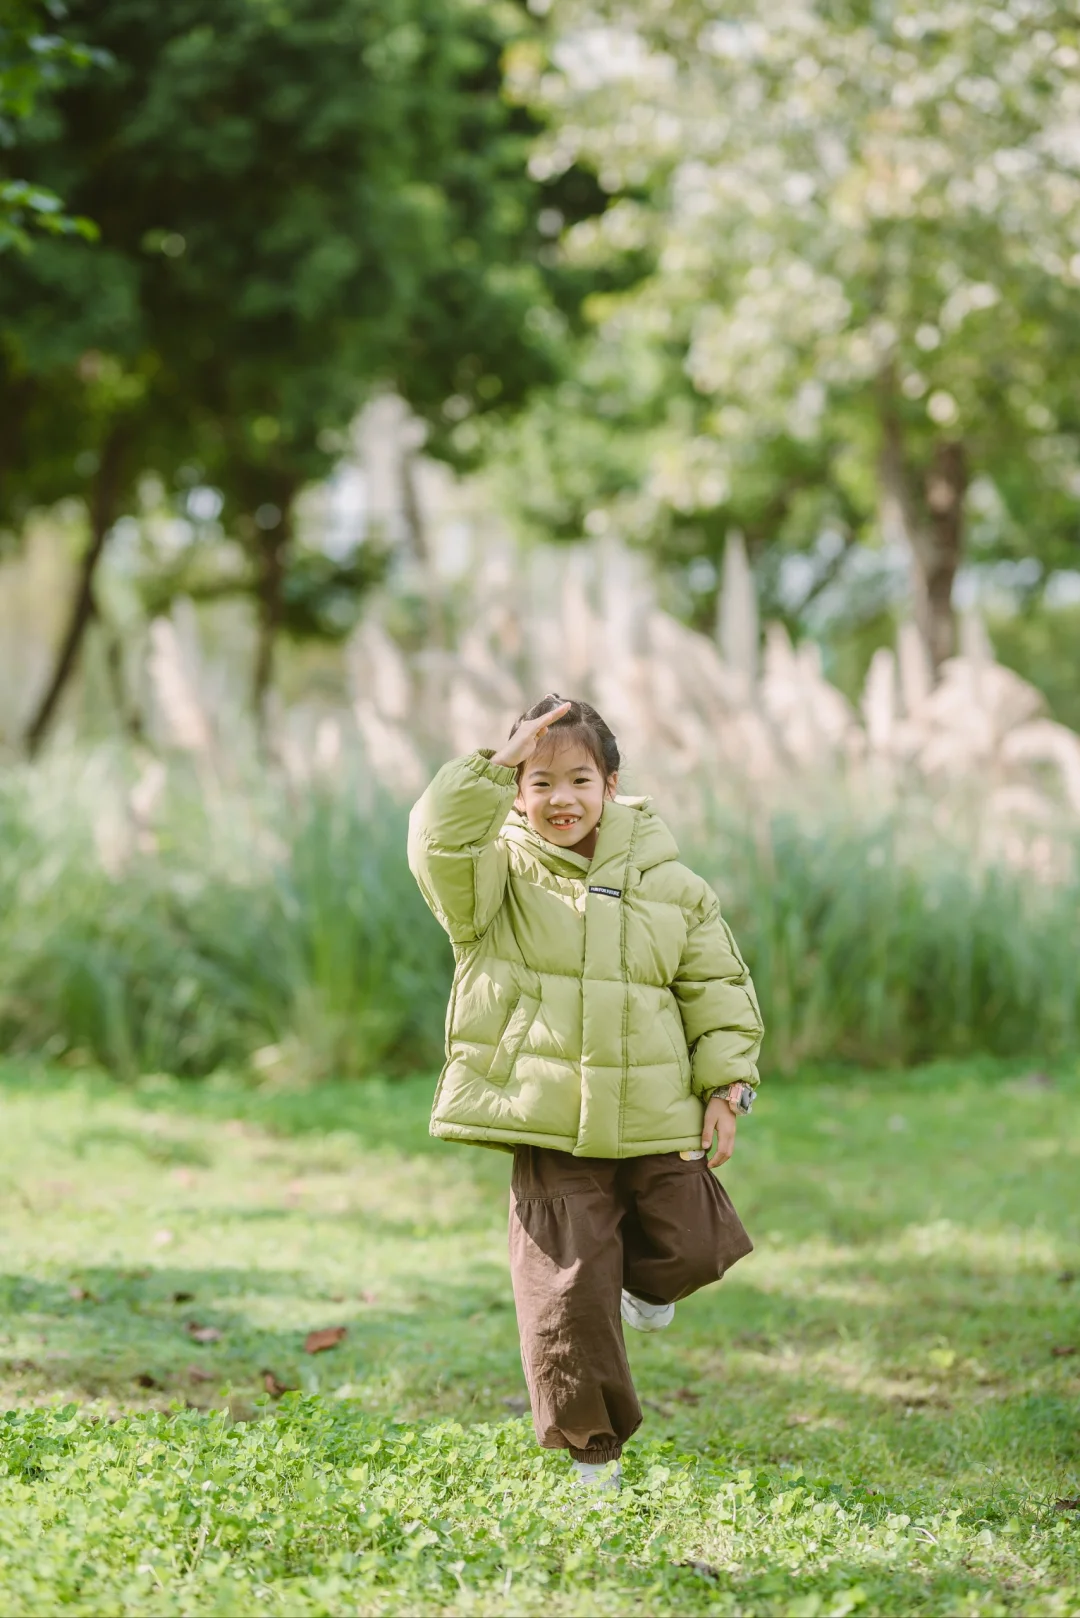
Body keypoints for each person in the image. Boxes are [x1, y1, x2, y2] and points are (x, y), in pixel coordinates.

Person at [407, 694, 763, 1489]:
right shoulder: (491, 875)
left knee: (694, 1244)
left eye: (577, 780)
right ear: (514, 789)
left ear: (610, 784)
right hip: (548, 1113)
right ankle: (591, 1451)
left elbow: (716, 986)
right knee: (566, 1293)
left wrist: (727, 1084)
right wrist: (492, 769)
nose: (558, 799)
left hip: (654, 1108)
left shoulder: (669, 881)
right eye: (537, 782)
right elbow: (437, 837)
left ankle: (642, 1280)